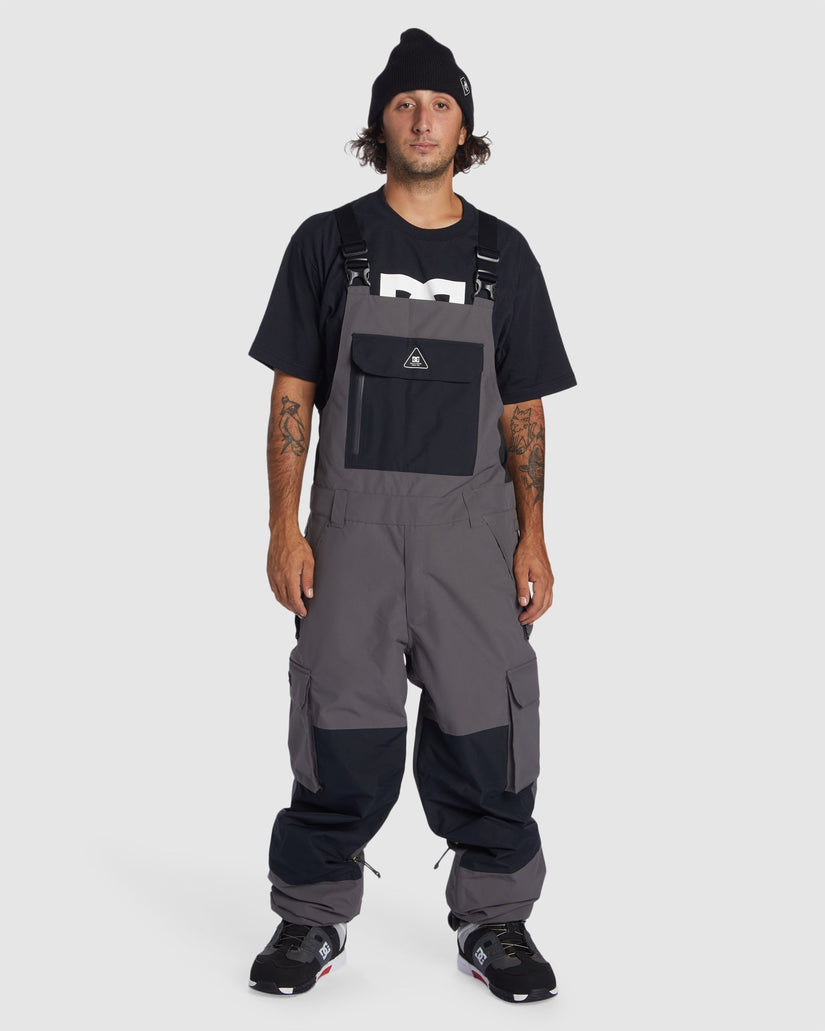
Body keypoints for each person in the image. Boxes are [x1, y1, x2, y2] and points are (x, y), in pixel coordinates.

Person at [245, 28, 577, 1004]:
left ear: (464, 127)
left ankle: (494, 918)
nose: (422, 120)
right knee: (338, 725)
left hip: (472, 534)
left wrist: (535, 535)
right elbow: (292, 394)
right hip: (348, 532)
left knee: (488, 729)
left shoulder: (502, 254)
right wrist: (283, 528)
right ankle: (311, 914)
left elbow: (523, 410)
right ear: (379, 124)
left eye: (439, 105)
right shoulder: (327, 243)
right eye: (404, 104)